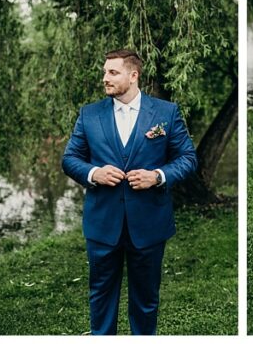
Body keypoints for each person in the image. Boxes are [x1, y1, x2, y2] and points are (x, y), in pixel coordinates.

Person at [62, 49, 197, 335]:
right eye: (104, 72)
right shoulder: (89, 115)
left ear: (133, 75)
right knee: (100, 297)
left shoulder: (165, 113)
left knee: (146, 300)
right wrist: (93, 173)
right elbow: (70, 159)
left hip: (149, 223)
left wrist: (157, 176)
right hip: (102, 224)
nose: (105, 79)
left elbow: (188, 158)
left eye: (113, 72)